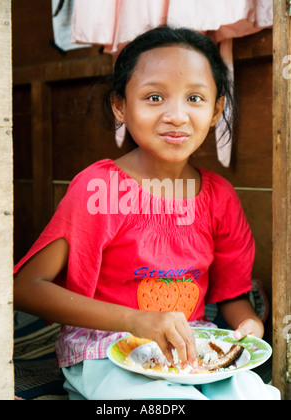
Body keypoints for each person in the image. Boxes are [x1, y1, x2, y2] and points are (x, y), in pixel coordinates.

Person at [14, 26, 279, 400]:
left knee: (254, 395)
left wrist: (249, 324)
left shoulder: (220, 196)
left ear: (216, 108)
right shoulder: (98, 188)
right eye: (154, 97)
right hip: (104, 346)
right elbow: (26, 290)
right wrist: (135, 319)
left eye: (195, 98)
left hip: (190, 342)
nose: (176, 115)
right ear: (120, 106)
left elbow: (232, 294)